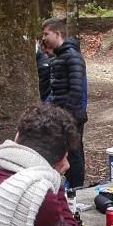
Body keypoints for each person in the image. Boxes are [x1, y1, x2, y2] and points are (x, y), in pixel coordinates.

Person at [40, 18, 88, 188]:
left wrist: (67, 118)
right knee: (64, 153)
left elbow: (76, 91)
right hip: (61, 116)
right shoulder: (58, 57)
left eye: (46, 34)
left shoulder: (73, 57)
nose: (44, 38)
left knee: (74, 155)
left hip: (72, 117)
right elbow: (57, 91)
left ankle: (78, 189)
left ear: (57, 34)